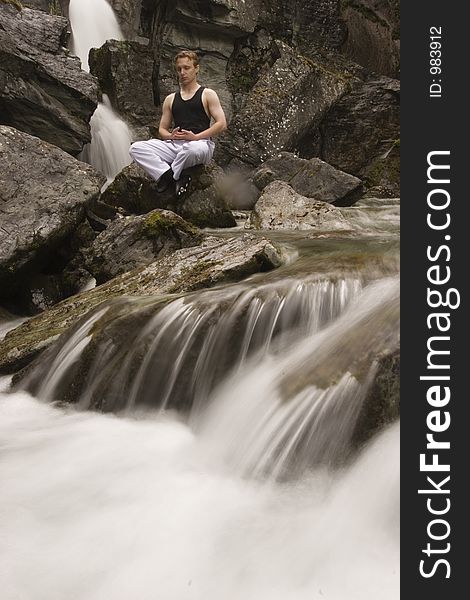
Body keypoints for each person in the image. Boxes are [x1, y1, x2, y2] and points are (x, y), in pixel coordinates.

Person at [129, 50, 227, 197]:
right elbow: (162, 129)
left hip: (200, 145)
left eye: (187, 68)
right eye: (179, 69)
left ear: (196, 68)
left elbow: (221, 124)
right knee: (136, 148)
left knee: (191, 150)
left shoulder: (207, 94)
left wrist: (196, 137)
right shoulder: (170, 99)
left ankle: (169, 178)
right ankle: (172, 177)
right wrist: (171, 136)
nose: (182, 72)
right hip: (175, 145)